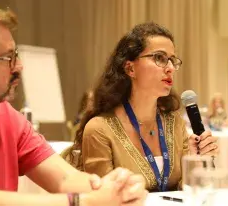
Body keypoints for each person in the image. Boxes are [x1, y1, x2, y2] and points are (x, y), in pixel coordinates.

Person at [0, 1, 147, 206]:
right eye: (8, 57)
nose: (19, 66)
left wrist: (116, 189)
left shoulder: (4, 117)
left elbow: (64, 179)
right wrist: (84, 202)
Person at [65, 22, 218, 192]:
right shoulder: (100, 130)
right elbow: (103, 199)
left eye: (172, 61)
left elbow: (186, 193)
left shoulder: (175, 124)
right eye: (159, 58)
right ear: (130, 68)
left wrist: (195, 165)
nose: (170, 68)